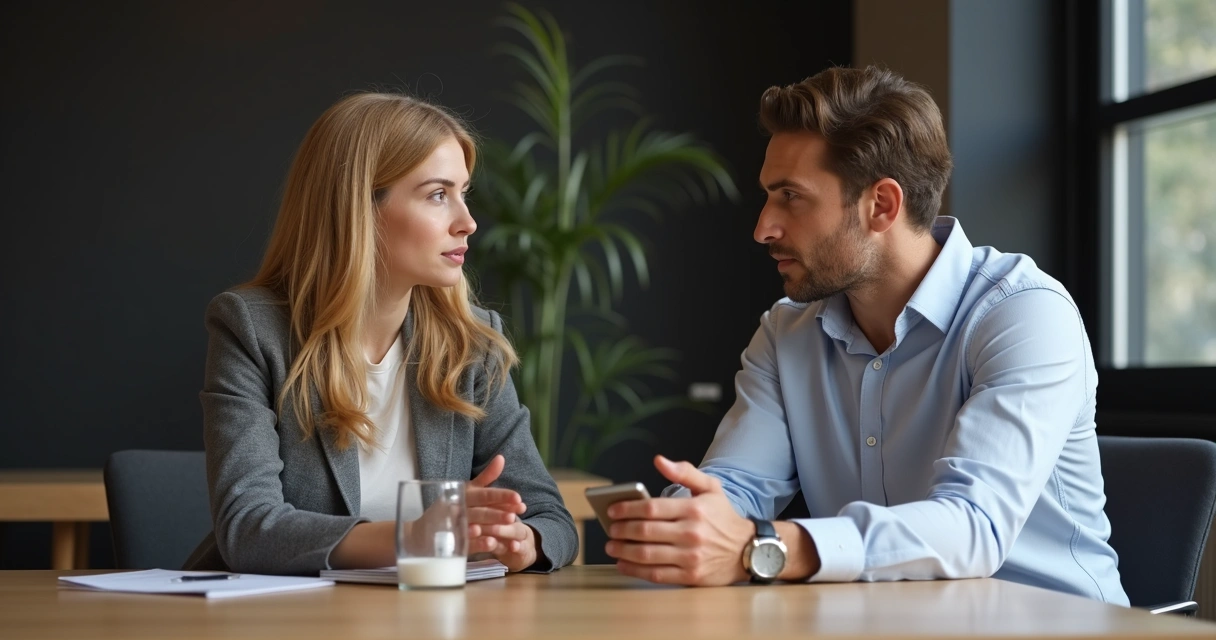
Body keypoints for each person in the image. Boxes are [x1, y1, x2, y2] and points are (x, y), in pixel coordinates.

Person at [602, 66, 1128, 605]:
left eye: (790, 197)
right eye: (767, 196)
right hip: (887, 621)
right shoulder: (787, 334)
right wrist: (684, 524)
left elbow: (975, 526)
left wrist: (763, 546)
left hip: (1056, 623)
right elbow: (737, 489)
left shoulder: (1023, 316)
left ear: (882, 205)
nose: (763, 227)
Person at [183, 92, 578, 575]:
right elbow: (249, 529)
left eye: (463, 193)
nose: (467, 222)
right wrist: (416, 537)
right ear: (360, 208)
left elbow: (553, 519)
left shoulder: (472, 343)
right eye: (438, 195)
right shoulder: (251, 328)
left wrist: (524, 541)